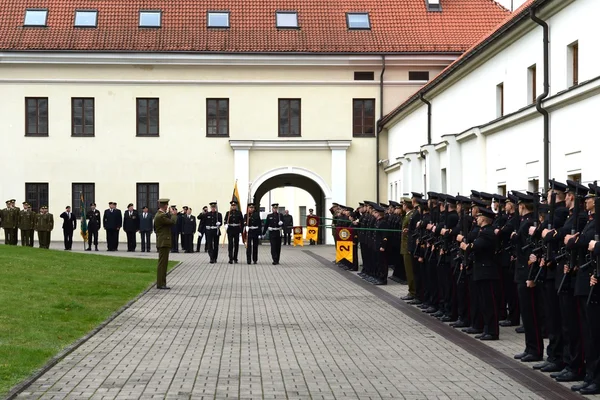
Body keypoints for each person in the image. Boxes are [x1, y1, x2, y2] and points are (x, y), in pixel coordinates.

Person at [154, 198, 178, 289]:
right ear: (165, 206)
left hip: (163, 241)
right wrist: (174, 215)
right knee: (162, 264)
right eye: (167, 205)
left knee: (163, 264)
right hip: (164, 241)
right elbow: (172, 222)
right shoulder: (161, 216)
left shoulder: (161, 214)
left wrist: (169, 214)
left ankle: (162, 283)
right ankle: (160, 284)